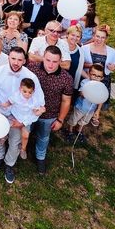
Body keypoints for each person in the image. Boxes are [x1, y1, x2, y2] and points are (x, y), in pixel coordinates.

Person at [0, 47, 44, 184]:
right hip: (2, 112)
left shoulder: (31, 77)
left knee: (15, 143)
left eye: (20, 60)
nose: (16, 62)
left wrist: (24, 122)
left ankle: (9, 164)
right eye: (13, 58)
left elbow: (40, 103)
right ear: (8, 58)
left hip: (20, 116)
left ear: (24, 61)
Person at [29, 46, 73, 175]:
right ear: (43, 57)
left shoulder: (66, 78)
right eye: (48, 60)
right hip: (29, 112)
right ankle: (20, 150)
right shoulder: (31, 69)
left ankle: (40, 157)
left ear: (60, 61)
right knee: (24, 133)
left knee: (43, 138)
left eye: (55, 61)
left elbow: (66, 101)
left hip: (49, 115)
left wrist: (60, 120)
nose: (50, 64)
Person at [82, 25, 115, 125]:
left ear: (106, 39)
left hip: (103, 78)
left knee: (100, 96)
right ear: (93, 36)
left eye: (102, 37)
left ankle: (97, 113)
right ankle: (82, 114)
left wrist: (114, 67)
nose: (99, 39)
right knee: (87, 97)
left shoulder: (111, 51)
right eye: (97, 36)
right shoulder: (85, 48)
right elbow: (80, 64)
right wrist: (92, 65)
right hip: (88, 77)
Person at [0, 77, 45, 160]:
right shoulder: (16, 96)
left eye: (30, 92)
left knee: (25, 136)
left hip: (26, 119)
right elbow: (10, 102)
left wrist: (41, 111)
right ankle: (4, 136)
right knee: (7, 124)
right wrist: (5, 104)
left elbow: (35, 112)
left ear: (33, 91)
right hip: (15, 115)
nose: (27, 94)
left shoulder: (33, 100)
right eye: (25, 91)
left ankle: (23, 149)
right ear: (20, 89)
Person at [65, 64, 105, 143]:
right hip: (80, 107)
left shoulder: (101, 86)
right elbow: (81, 94)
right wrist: (90, 92)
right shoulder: (85, 82)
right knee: (74, 119)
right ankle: (70, 131)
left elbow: (101, 99)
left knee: (84, 121)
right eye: (93, 75)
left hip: (91, 110)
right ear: (89, 73)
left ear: (102, 78)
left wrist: (98, 110)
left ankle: (79, 131)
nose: (96, 78)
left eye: (99, 76)